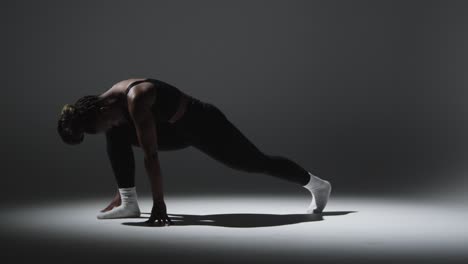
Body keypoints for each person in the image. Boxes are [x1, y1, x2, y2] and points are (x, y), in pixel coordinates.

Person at [57, 78, 332, 226]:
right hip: (171, 129)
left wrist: (160, 205)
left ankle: (317, 185)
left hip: (203, 124)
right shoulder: (106, 110)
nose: (107, 127)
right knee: (116, 132)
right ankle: (129, 203)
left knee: (253, 162)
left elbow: (150, 156)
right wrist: (122, 190)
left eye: (101, 124)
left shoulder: (135, 98)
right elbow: (116, 136)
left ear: (103, 110)